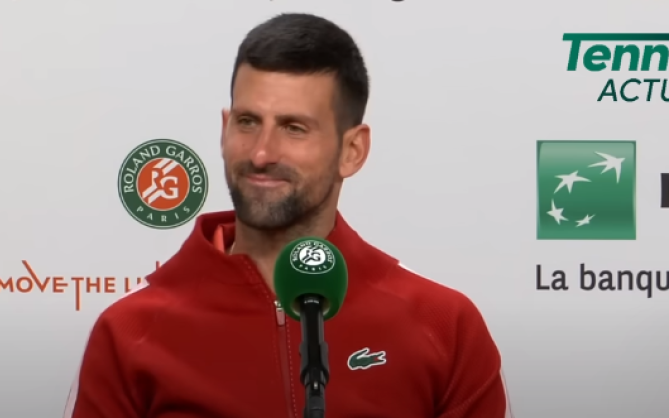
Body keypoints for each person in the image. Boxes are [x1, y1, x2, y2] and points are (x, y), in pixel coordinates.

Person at [63, 12, 513, 418]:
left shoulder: (444, 325)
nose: (261, 153)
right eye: (247, 122)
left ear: (352, 150)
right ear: (224, 129)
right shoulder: (130, 332)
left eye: (294, 128)